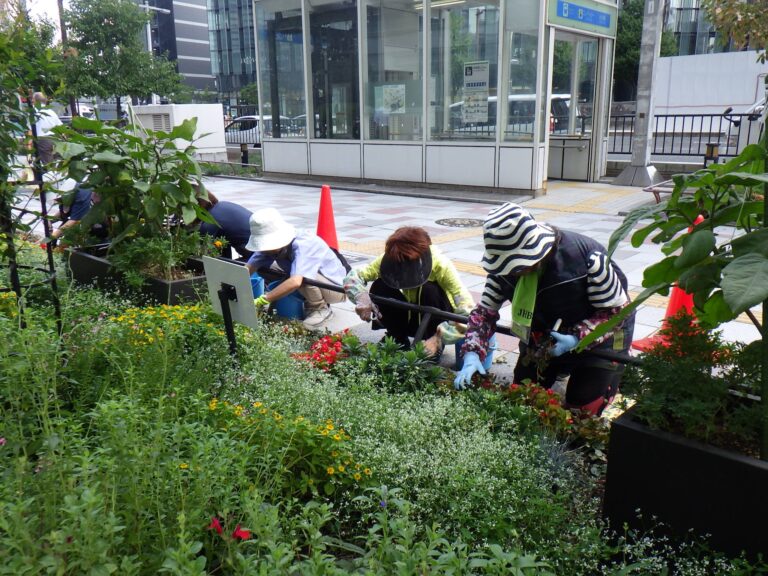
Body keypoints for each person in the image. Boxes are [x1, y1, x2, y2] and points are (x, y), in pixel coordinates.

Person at [453, 202, 635, 416]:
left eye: (519, 265)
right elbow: (484, 314)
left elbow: (617, 313)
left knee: (583, 406)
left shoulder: (588, 259)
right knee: (524, 395)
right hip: (544, 333)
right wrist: (472, 353)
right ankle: (558, 369)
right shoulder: (502, 269)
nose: (515, 272)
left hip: (602, 336)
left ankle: (596, 381)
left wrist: (578, 337)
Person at [344, 226, 474, 354]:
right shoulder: (392, 258)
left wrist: (439, 338)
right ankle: (397, 338)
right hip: (409, 316)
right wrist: (361, 297)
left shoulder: (440, 264)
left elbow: (468, 309)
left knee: (429, 290)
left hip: (434, 320)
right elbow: (354, 276)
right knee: (380, 286)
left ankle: (432, 345)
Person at [244, 207, 346, 328]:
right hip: (315, 280)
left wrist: (264, 299)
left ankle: (320, 308)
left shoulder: (304, 244)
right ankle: (301, 298)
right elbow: (248, 269)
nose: (265, 249)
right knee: (266, 268)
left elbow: (296, 281)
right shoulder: (270, 249)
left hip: (336, 288)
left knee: (302, 279)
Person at [198, 192, 253, 260]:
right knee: (220, 239)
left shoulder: (210, 221)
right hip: (265, 247)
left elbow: (203, 251)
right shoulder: (222, 205)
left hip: (258, 255)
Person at [31, 92, 62, 165]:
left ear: (35, 101)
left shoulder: (33, 112)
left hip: (43, 141)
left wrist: (29, 149)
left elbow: (29, 130)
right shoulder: (51, 112)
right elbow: (60, 127)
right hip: (55, 140)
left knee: (48, 165)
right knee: (56, 164)